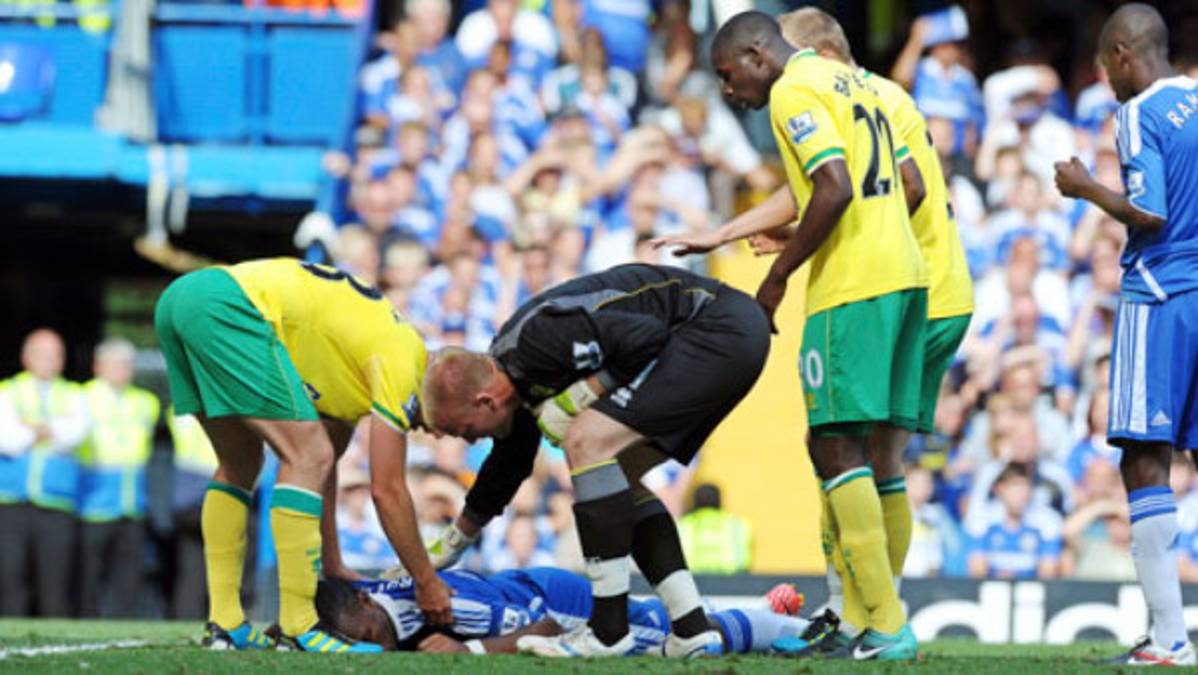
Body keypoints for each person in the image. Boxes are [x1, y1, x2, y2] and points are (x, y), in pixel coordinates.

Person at [657, 11, 928, 660]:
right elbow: (908, 185)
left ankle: (886, 623)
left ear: (759, 54)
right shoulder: (859, 85)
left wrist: (778, 276)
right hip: (908, 275)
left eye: (729, 75)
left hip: (854, 284)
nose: (730, 92)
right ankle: (862, 617)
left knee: (834, 444)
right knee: (866, 449)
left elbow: (832, 187)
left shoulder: (793, 90)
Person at [411, 263, 770, 658]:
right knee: (617, 476)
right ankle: (691, 630)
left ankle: (607, 631)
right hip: (726, 334)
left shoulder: (536, 342)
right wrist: (455, 541)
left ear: (485, 401)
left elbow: (646, 337)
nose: (468, 440)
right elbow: (509, 465)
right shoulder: (513, 380)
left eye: (463, 428)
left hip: (718, 326)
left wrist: (582, 393)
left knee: (585, 442)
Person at [153, 257, 452, 653]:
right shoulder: (404, 365)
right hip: (228, 304)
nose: (440, 434)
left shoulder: (356, 369)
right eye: (456, 426)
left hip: (185, 297)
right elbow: (387, 490)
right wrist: (426, 580)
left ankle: (226, 623)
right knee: (307, 454)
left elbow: (322, 473)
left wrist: (332, 561)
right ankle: (298, 625)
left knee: (241, 462)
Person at [1053, 3, 1198, 666]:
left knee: (1143, 457)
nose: (1107, 82)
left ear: (1123, 56)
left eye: (1106, 69)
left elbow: (1149, 210)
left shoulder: (1137, 113)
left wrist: (1085, 187)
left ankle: (1167, 639)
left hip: (1160, 294)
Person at [316, 566, 807, 657]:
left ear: (367, 603)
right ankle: (762, 609)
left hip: (558, 603)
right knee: (655, 615)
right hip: (527, 587)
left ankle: (794, 627)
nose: (378, 648)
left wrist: (471, 651)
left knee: (675, 637)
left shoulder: (450, 607)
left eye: (372, 635)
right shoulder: (368, 603)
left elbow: (547, 628)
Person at [0, 328, 89, 617]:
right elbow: (7, 440)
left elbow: (74, 434)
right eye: (41, 354)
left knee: (55, 584)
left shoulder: (75, 394)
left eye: (54, 355)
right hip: (10, 501)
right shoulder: (7, 390)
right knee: (10, 579)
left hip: (57, 503)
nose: (48, 360)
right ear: (26, 357)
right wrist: (51, 429)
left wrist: (28, 427)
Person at [76, 338, 161, 618]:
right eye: (115, 364)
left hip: (132, 502)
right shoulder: (81, 397)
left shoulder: (146, 402)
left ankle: (125, 622)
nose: (122, 370)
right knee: (88, 576)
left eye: (126, 364)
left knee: (129, 575)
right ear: (98, 366)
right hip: (92, 503)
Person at [677, 483, 752, 575]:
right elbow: (743, 563)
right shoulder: (737, 525)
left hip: (692, 579)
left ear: (694, 501)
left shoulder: (682, 525)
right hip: (731, 580)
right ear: (720, 501)